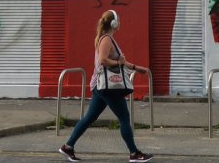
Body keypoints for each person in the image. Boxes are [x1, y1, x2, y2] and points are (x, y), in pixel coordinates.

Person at [59, 10, 153, 163]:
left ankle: (68, 147)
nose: (120, 22)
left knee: (90, 117)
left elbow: (120, 61)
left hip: (101, 86)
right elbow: (103, 60)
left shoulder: (108, 39)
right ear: (114, 23)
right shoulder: (107, 40)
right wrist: (119, 63)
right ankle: (134, 153)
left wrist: (137, 68)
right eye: (118, 20)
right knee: (124, 118)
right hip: (109, 86)